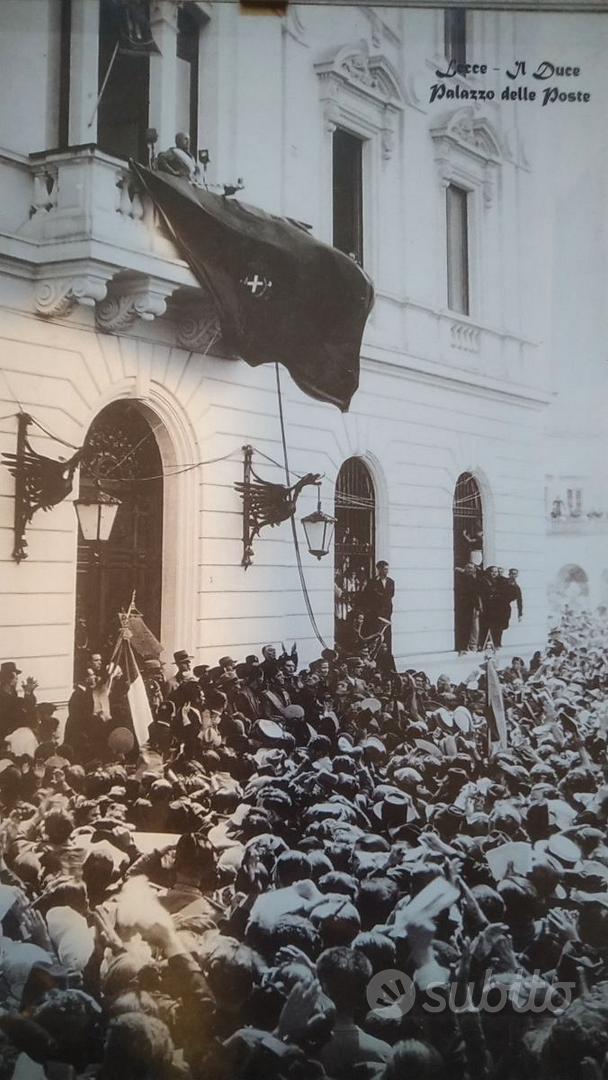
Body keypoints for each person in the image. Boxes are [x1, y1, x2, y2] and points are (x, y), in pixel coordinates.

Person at [360, 560, 396, 668]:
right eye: (384, 569)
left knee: (387, 638)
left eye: (387, 569)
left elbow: (390, 596)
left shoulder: (391, 582)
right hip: (376, 616)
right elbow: (368, 597)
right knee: (376, 638)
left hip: (387, 615)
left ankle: (387, 662)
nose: (386, 571)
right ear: (379, 569)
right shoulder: (372, 582)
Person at [0, 660, 37, 741]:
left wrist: (28, 693)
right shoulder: (3, 695)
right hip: (5, 732)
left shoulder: (13, 692)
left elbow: (27, 705)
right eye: (15, 678)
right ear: (8, 679)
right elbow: (17, 704)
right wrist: (27, 693)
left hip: (13, 730)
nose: (17, 680)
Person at [454, 562, 483, 654]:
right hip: (462, 607)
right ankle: (461, 647)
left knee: (471, 627)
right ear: (465, 568)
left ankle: (469, 646)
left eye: (472, 568)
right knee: (462, 627)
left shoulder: (474, 579)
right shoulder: (459, 578)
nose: (470, 570)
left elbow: (476, 594)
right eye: (468, 568)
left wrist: (478, 606)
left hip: (472, 606)